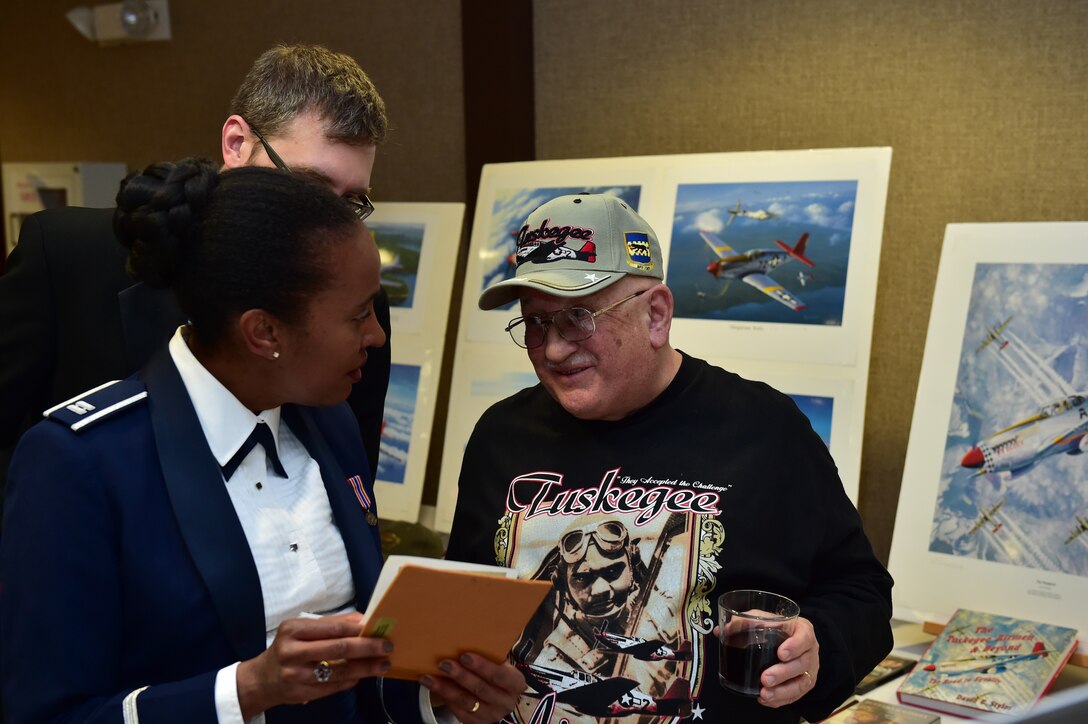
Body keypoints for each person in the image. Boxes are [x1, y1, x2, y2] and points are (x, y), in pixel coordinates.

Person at [0, 159, 523, 723]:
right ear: (264, 332)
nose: (376, 335)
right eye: (358, 315)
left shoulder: (331, 423)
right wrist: (247, 689)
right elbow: (48, 713)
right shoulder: (80, 462)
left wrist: (438, 697)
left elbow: (351, 674)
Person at [444, 193, 894, 723]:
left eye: (577, 318)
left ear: (656, 315)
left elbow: (861, 594)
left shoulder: (765, 430)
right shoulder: (501, 436)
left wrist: (818, 650)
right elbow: (458, 607)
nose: (555, 349)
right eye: (536, 325)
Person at [0, 44, 392, 504]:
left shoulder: (359, 310)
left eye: (349, 203)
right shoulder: (69, 256)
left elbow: (351, 487)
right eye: (309, 185)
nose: (324, 219)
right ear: (236, 145)